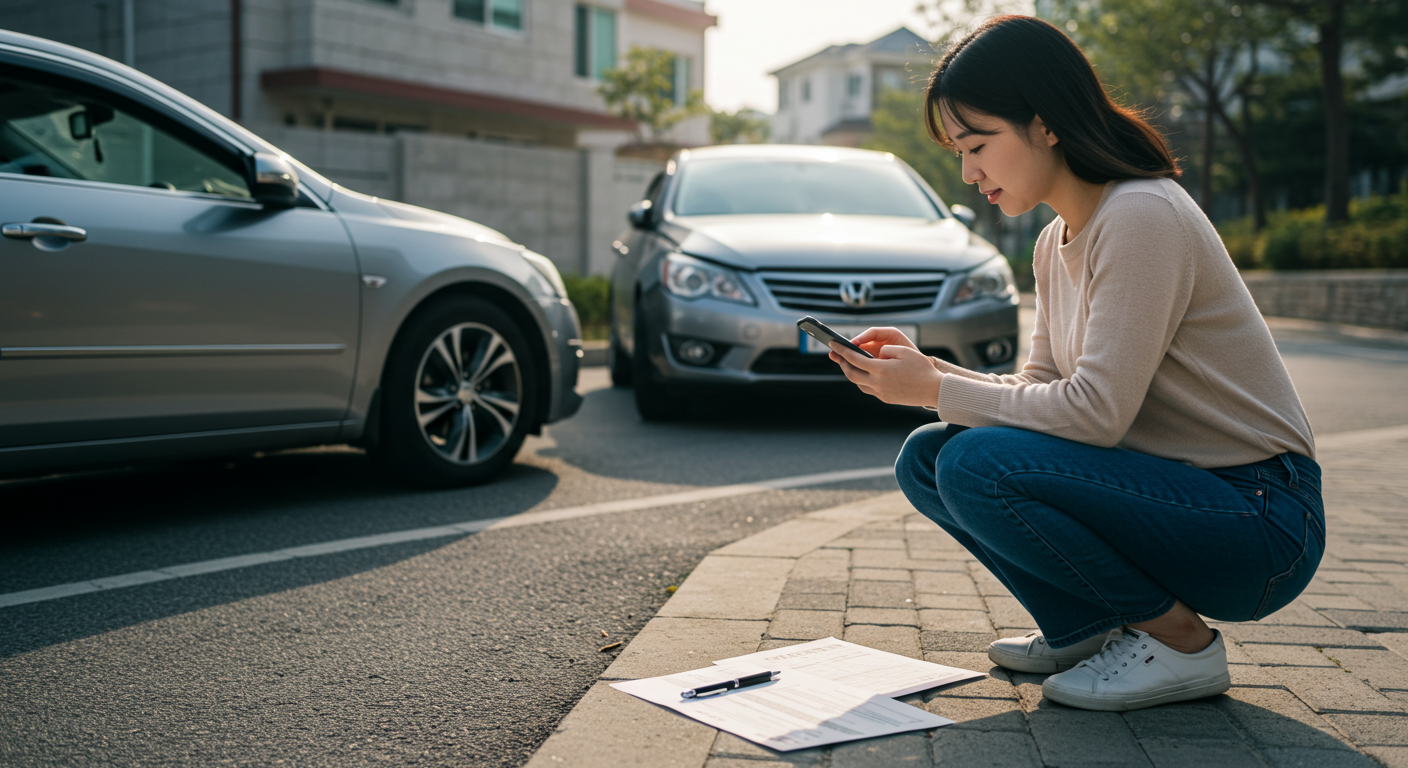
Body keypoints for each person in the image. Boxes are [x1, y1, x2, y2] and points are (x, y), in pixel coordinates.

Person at [827, 15, 1323, 712]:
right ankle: (1087, 627)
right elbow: (1043, 390)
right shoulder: (1054, 241)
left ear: (1045, 124)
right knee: (930, 458)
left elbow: (1095, 414)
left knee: (974, 463)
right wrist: (934, 374)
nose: (968, 173)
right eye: (960, 152)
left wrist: (935, 386)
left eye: (977, 145)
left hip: (1260, 519)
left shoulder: (1142, 214)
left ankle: (1181, 645)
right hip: (1181, 495)